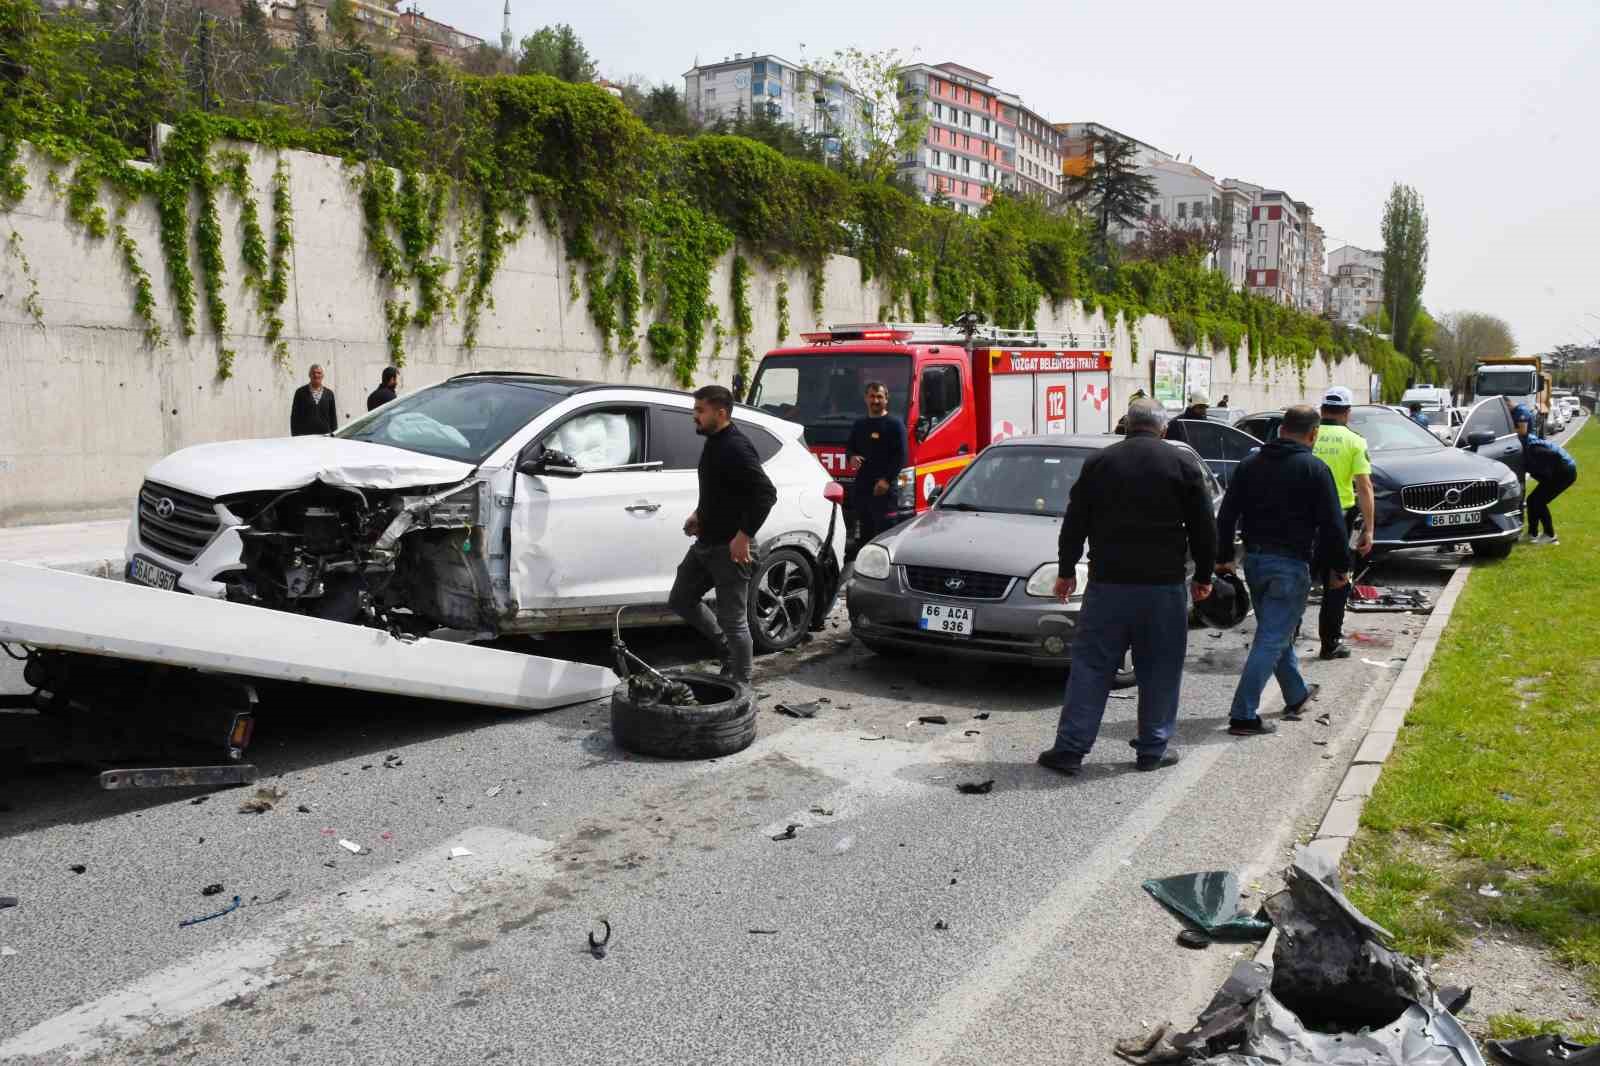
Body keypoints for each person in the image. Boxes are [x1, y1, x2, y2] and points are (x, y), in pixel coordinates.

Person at [1037, 399, 1216, 776]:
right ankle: (1152, 749)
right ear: (1163, 429)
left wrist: (1067, 570)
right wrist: (1203, 576)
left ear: (1126, 426)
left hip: (1108, 586)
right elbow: (1204, 527)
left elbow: (1075, 522)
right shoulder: (1181, 464)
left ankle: (1070, 750)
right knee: (1161, 669)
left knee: (1091, 667)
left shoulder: (1100, 462)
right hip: (1163, 588)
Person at [1215, 405, 1351, 735]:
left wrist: (1223, 558)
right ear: (1313, 433)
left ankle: (1296, 693)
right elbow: (1333, 525)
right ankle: (1243, 714)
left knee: (1276, 632)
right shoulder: (1315, 469)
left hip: (1256, 563)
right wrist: (1340, 568)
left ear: (1281, 429)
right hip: (1290, 566)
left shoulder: (1249, 465)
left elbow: (1226, 515)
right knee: (1273, 636)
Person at [668, 385, 779, 683]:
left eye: (700, 410)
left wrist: (743, 537)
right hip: (706, 543)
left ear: (721, 412)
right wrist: (699, 514)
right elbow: (721, 490)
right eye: (695, 409)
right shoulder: (715, 441)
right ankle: (726, 649)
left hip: (730, 549)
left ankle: (742, 685)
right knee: (681, 598)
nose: (695, 416)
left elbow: (766, 494)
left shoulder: (736, 446)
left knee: (734, 621)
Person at [1310, 386, 1374, 660]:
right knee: (1338, 580)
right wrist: (1369, 529)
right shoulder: (1355, 441)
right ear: (1347, 413)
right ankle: (1329, 643)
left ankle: (1287, 638)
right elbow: (1365, 487)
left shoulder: (1307, 435)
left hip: (1303, 518)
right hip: (1339, 520)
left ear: (1322, 409)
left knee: (1299, 577)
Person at [846, 381, 909, 545]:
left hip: (884, 492)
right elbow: (850, 448)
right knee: (862, 539)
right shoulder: (859, 425)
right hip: (862, 490)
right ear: (866, 399)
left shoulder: (895, 425)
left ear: (886, 399)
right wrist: (851, 457)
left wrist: (886, 480)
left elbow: (901, 456)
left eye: (879, 397)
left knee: (884, 539)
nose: (875, 401)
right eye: (872, 396)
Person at [1512, 403, 1578, 545]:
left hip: (1564, 470)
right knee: (1532, 500)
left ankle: (1550, 536)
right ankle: (1533, 533)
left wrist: (1546, 478)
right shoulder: (1525, 449)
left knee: (1538, 501)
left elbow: (1554, 458)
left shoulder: (1533, 448)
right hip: (1556, 471)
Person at [290, 364, 337, 436]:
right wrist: (295, 436)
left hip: (325, 437)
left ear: (322, 376)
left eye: (319, 373)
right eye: (313, 373)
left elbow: (333, 417)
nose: (316, 375)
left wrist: (334, 435)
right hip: (305, 436)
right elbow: (294, 417)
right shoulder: (300, 392)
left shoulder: (329, 394)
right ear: (309, 375)